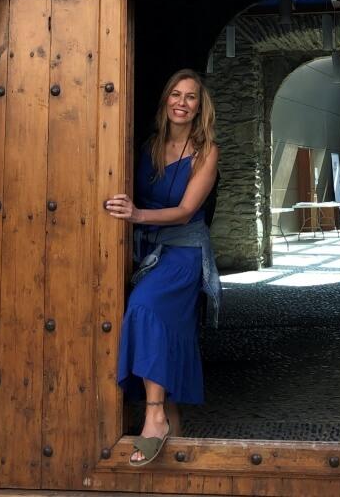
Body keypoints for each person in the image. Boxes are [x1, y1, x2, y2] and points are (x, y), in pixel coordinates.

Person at [104, 69, 221, 466]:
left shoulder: (207, 153)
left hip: (183, 256)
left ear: (200, 107)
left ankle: (153, 416)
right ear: (166, 101)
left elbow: (187, 210)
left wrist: (136, 214)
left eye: (191, 97)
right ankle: (175, 451)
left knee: (144, 308)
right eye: (176, 94)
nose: (182, 103)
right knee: (165, 335)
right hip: (147, 252)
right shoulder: (149, 147)